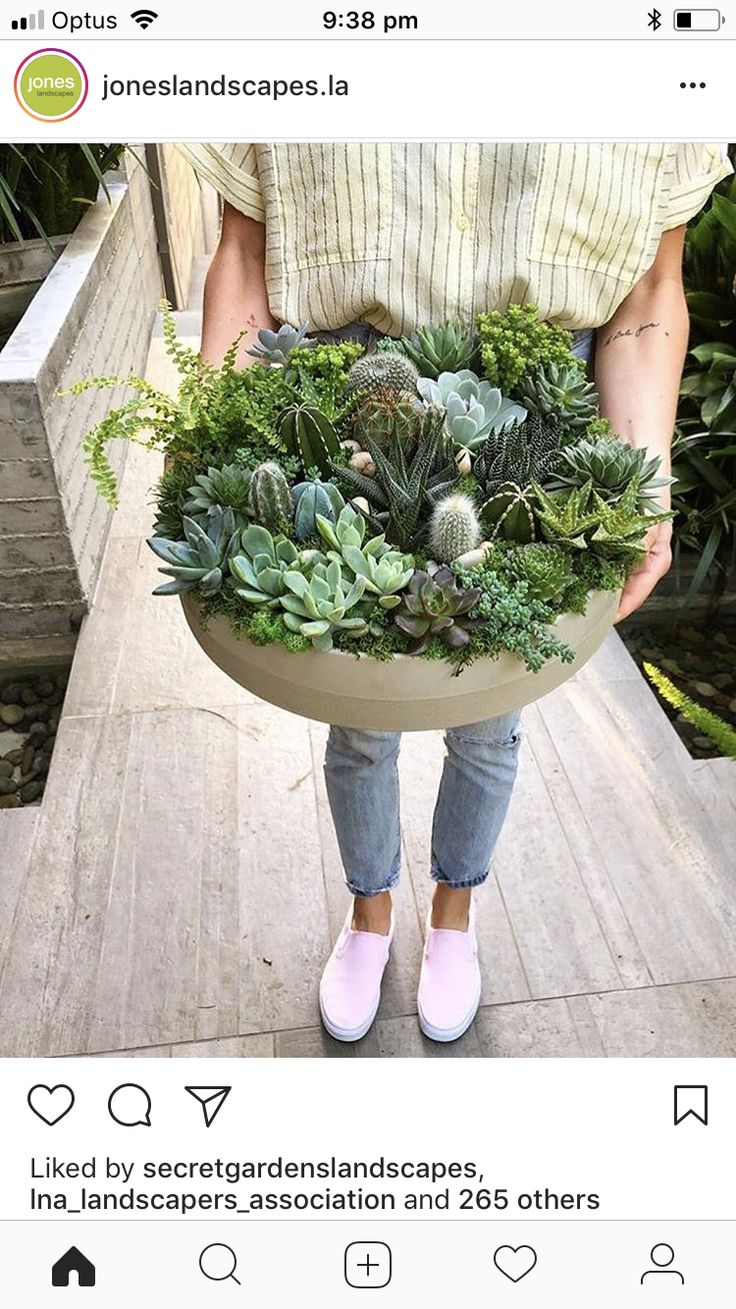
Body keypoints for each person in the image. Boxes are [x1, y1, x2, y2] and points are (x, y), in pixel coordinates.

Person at [180, 142, 731, 1044]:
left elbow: (647, 284)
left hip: (537, 414)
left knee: (491, 716)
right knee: (359, 718)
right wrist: (207, 448)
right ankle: (368, 913)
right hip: (353, 401)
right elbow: (243, 249)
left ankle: (454, 911)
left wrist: (645, 476)